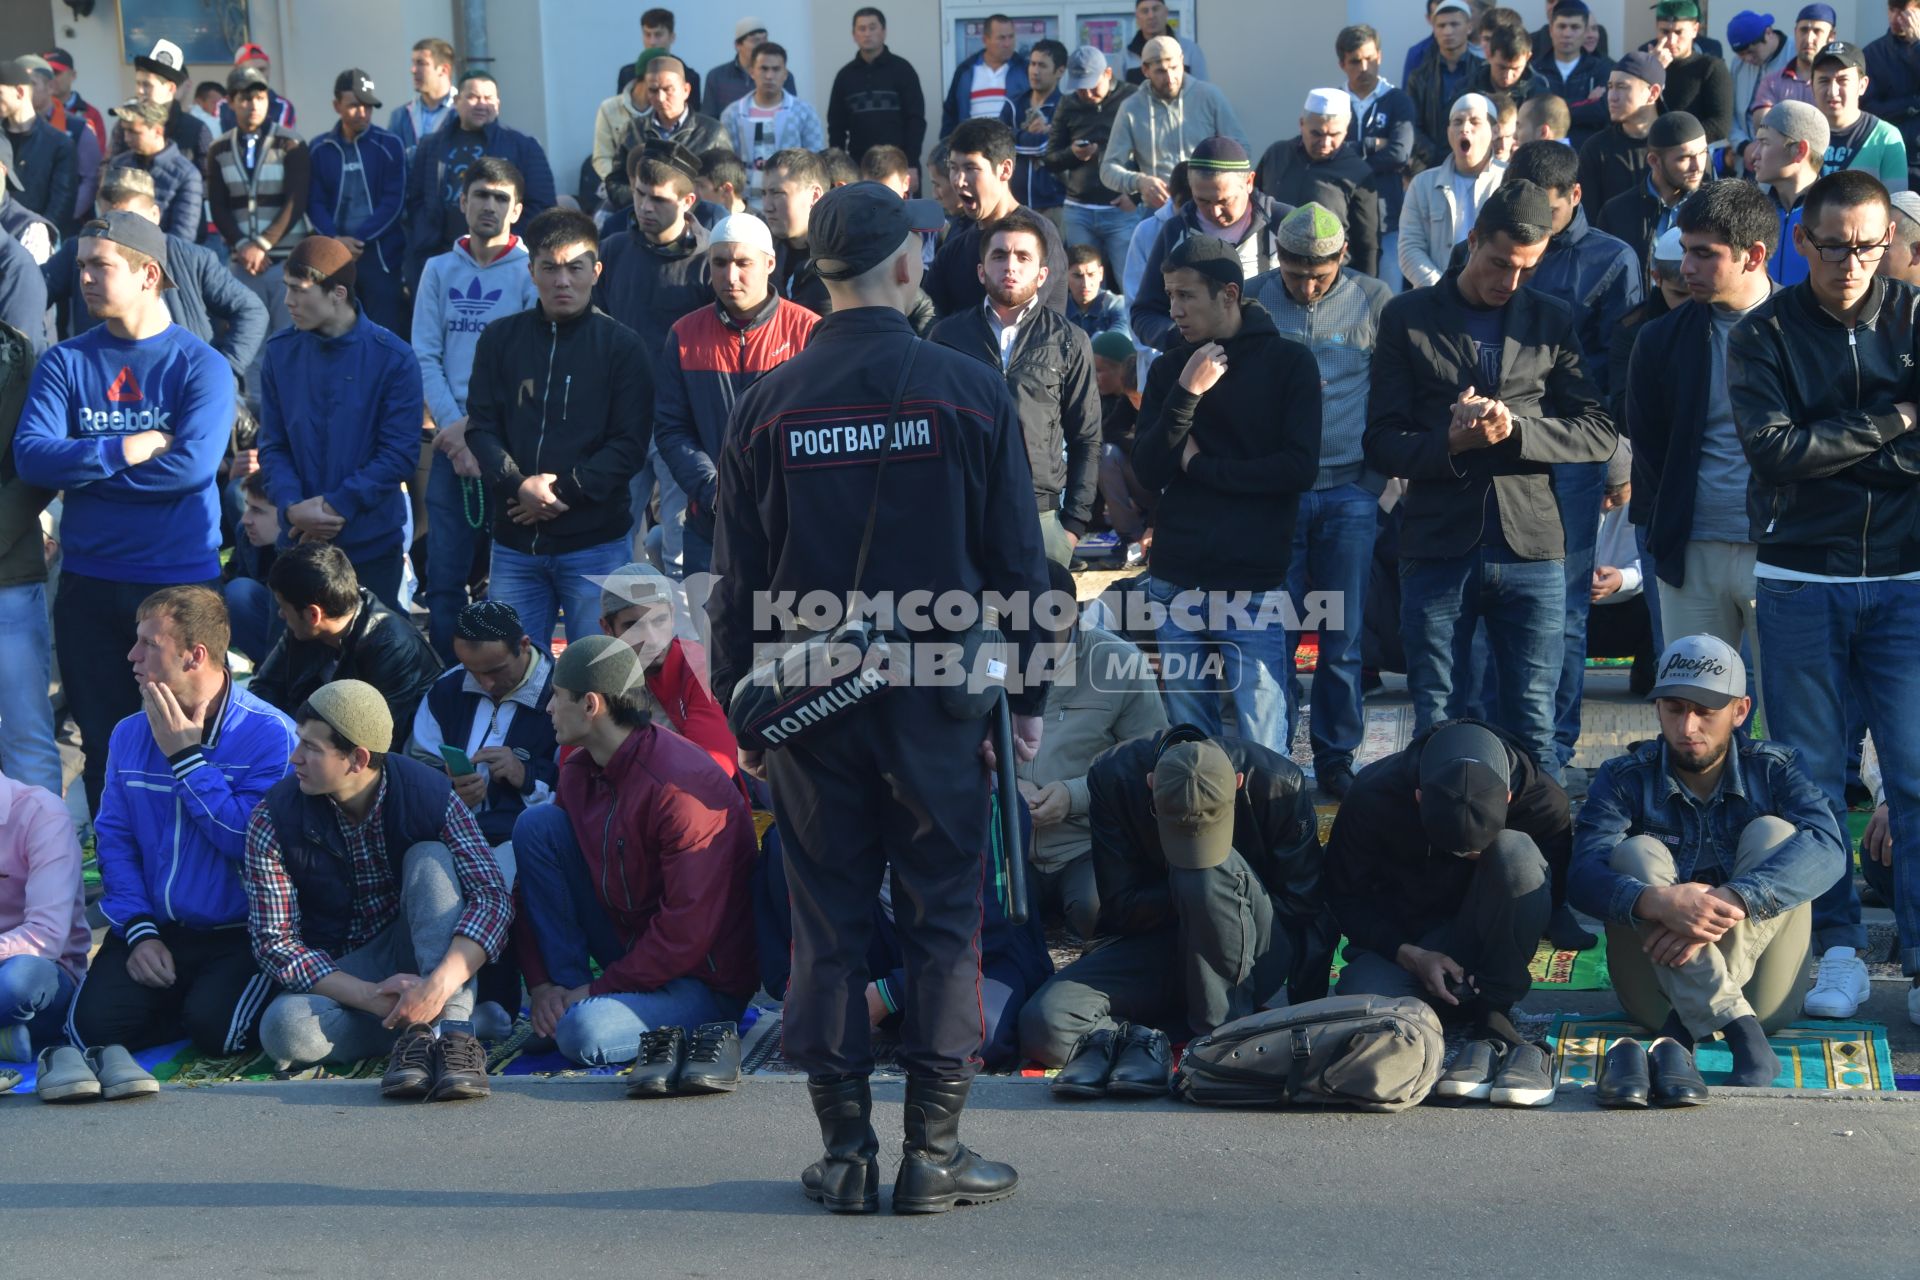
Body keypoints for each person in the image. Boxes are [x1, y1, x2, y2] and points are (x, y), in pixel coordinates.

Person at [707, 182, 1050, 1214]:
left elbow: (739, 590)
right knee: (947, 920)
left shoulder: (765, 402)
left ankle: (848, 1149)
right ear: (908, 264)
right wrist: (1025, 697)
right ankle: (933, 1151)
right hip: (937, 703)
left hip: (811, 709)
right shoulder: (968, 387)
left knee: (829, 926)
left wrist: (745, 717)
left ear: (816, 272)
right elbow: (1023, 571)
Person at [1725, 168, 1920, 1025]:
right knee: (1809, 780)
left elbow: (1805, 449)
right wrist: (1897, 422)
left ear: (1892, 243)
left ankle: (1917, 958)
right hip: (1802, 577)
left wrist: (1825, 447)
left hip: (1909, 581)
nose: (1850, 262)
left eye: (1867, 246)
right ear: (1800, 240)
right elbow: (1773, 453)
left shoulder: (1914, 317)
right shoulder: (1761, 332)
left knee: (1914, 778)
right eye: (1833, 244)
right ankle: (1836, 947)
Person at [1365, 180, 1616, 782]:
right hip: (1436, 545)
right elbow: (1379, 441)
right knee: (1439, 723)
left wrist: (1518, 430)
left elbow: (1598, 431)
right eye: (1500, 263)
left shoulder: (1551, 318)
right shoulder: (1408, 316)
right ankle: (1436, 860)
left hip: (1531, 544)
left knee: (1534, 729)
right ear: (1471, 240)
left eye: (1527, 268)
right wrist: (1449, 443)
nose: (1510, 280)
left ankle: (1541, 862)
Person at [13, 213, 233, 816]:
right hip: (89, 582)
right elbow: (33, 460)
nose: (82, 277)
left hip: (177, 583)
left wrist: (84, 473)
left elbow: (190, 470)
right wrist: (122, 449)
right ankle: (115, 866)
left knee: (186, 732)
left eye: (99, 265)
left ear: (149, 273)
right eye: (80, 264)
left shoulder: (201, 366)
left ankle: (191, 867)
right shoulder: (65, 362)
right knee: (103, 737)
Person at [1569, 635, 1846, 1083]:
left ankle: (1681, 1036)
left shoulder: (1777, 767)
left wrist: (1735, 898)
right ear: (1657, 709)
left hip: (1764, 997)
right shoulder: (1622, 778)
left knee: (1775, 833)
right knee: (1636, 852)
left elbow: (1831, 849)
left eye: (1705, 712)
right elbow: (1581, 875)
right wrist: (1657, 903)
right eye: (1675, 709)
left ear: (1740, 712)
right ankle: (1740, 1034)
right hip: (1654, 1000)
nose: (1688, 727)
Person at [247, 678, 513, 1096]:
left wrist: (437, 985)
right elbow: (274, 943)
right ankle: (438, 1030)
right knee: (284, 1029)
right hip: (347, 965)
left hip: (425, 948)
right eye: (299, 743)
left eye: (311, 749)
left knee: (430, 858)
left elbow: (492, 898)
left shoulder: (430, 794)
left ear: (358, 758)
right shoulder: (275, 817)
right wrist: (371, 996)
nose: (294, 758)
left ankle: (451, 1031)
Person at [1019, 728, 1335, 1079]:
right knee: (1047, 1025)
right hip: (1159, 944)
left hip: (1251, 946)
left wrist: (1219, 900)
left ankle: (1223, 1034)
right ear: (1151, 784)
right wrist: (1189, 905)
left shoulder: (1278, 782)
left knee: (1202, 872)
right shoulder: (1114, 777)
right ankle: (1150, 1039)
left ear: (1238, 782)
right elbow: (1120, 907)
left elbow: (1302, 903)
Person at [68, 586, 297, 1056]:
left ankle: (195, 1005)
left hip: (240, 934)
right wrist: (140, 932)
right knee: (89, 1032)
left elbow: (245, 841)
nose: (132, 655)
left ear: (195, 656)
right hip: (158, 927)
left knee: (219, 1033)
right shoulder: (129, 733)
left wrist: (188, 761)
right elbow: (114, 840)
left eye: (149, 644)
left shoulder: (270, 735)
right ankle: (178, 1001)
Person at [508, 634, 755, 1068]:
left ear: (591, 705)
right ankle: (565, 999)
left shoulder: (679, 787)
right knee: (536, 825)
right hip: (634, 950)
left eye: (556, 698)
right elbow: (534, 886)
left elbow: (686, 935)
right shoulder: (580, 769)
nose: (547, 709)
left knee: (583, 1032)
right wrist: (544, 986)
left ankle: (578, 1009)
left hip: (701, 979)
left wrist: (598, 992)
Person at [1132, 233, 1320, 753]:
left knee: (1264, 745)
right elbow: (1148, 470)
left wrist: (1201, 466)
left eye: (1186, 295)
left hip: (1251, 581)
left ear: (1229, 294)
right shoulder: (1173, 367)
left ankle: (1274, 835)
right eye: (1169, 296)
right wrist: (1186, 395)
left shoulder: (1289, 363)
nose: (1174, 310)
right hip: (1175, 578)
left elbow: (1296, 470)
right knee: (1192, 746)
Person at [1492, 143, 1643, 781]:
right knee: (1492, 598)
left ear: (1572, 197)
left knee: (1567, 605)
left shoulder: (1611, 259)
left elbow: (1625, 370)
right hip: (1500, 450)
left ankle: (1555, 748)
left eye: (1543, 207)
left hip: (1578, 453)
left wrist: (1616, 455)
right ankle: (1498, 742)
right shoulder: (1491, 250)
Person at [1245, 204, 1392, 798]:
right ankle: (1274, 756)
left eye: (1319, 273)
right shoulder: (1254, 301)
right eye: (1294, 271)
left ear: (1343, 258)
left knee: (1342, 637)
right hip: (1278, 495)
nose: (1305, 284)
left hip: (1349, 490)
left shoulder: (1374, 300)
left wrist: (1374, 481)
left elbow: (1392, 388)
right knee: (1272, 634)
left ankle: (1336, 755)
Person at [1327, 720, 1576, 1070]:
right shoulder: (1373, 794)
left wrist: (1496, 972)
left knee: (1516, 854)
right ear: (1419, 798)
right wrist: (1408, 953)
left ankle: (1492, 1004)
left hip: (1487, 939)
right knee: (1362, 997)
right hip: (1405, 942)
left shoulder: (1543, 803)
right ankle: (1450, 998)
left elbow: (1545, 899)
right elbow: (1343, 898)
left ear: (1507, 799)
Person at [465, 209, 651, 649]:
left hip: (596, 545)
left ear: (596, 271)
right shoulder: (499, 339)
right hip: (514, 546)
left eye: (574, 268)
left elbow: (628, 446)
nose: (562, 280)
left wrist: (561, 493)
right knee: (511, 670)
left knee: (598, 676)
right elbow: (481, 429)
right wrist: (518, 485)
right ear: (532, 271)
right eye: (549, 267)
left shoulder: (622, 347)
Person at [1627, 181, 1778, 707]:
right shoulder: (1660, 339)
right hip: (1690, 552)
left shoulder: (1806, 331)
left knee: (1787, 707)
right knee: (1694, 706)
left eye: (1703, 253)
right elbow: (1647, 447)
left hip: (1784, 552)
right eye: (1684, 250)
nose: (1684, 266)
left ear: (1753, 255)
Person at [256, 237, 421, 610]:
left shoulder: (393, 358)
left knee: (371, 665)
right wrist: (291, 506)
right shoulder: (281, 352)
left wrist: (338, 505)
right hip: (297, 545)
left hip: (370, 548)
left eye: (299, 291)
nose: (288, 302)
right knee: (293, 666)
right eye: (286, 289)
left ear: (338, 293)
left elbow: (398, 454)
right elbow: (273, 445)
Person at [414, 158, 536, 661]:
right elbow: (424, 353)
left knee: (507, 582)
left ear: (518, 208)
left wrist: (478, 433)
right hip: (450, 447)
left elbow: (525, 365)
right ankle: (446, 685)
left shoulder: (530, 273)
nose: (490, 206)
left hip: (506, 444)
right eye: (480, 195)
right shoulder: (438, 270)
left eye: (501, 197)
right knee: (444, 582)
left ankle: (510, 684)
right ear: (462, 202)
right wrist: (454, 430)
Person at [654, 211, 818, 579]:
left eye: (744, 263)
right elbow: (671, 428)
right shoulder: (684, 334)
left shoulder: (809, 331)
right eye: (720, 263)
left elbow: (822, 429)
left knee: (788, 636)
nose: (731, 276)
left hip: (792, 528)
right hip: (711, 526)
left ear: (770, 263)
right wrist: (714, 490)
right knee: (715, 635)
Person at [932, 210, 1101, 567]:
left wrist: (1072, 525)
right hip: (961, 515)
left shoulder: (1070, 340)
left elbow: (1086, 437)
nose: (1010, 265)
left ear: (1042, 275)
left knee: (1036, 622)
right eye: (999, 255)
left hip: (1041, 518)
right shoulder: (945, 338)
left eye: (1023, 257)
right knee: (966, 622)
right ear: (981, 271)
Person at [44, 167, 267, 393]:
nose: (118, 234)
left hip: (186, 389)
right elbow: (33, 292)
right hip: (105, 391)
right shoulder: (80, 251)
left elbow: (251, 310)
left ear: (155, 215)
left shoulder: (193, 258)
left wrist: (223, 371)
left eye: (131, 221)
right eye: (107, 220)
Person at [408, 598, 557, 874]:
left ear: (524, 645)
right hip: (449, 834)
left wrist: (526, 776)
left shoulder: (562, 695)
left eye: (495, 670)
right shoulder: (446, 690)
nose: (485, 683)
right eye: (471, 670)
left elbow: (581, 792)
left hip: (526, 841)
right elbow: (416, 770)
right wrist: (448, 786)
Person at [251, 541, 441, 728]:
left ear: (313, 614)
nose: (280, 614)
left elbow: (375, 740)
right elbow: (264, 689)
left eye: (284, 607)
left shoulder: (392, 647)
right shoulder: (304, 627)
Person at [404, 71, 556, 294]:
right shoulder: (431, 146)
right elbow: (415, 199)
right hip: (442, 254)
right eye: (473, 97)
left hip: (502, 259)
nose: (481, 104)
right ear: (456, 101)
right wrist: (423, 235)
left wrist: (507, 242)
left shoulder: (522, 146)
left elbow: (541, 205)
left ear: (498, 104)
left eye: (488, 98)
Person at [1130, 137, 1289, 348]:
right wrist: (1180, 340)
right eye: (1202, 200)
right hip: (1201, 366)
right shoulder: (1175, 231)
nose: (1214, 211)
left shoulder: (1284, 225)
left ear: (1249, 182)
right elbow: (1144, 313)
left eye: (1225, 200)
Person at [206, 65, 311, 379]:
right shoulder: (219, 148)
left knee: (293, 340)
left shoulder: (291, 143)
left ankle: (294, 415)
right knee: (251, 346)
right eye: (244, 98)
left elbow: (296, 201)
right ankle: (258, 417)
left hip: (285, 262)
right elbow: (218, 205)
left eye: (260, 97)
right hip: (243, 265)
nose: (253, 105)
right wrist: (243, 246)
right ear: (231, 102)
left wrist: (262, 245)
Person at [0, 316, 59, 798]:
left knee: (26, 734)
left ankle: (45, 871)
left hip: (8, 579)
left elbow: (39, 466)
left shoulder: (25, 359)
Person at [928, 119, 1070, 317]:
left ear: (1005, 170)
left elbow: (1023, 321)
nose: (959, 180)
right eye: (954, 167)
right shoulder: (954, 245)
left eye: (971, 168)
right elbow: (926, 312)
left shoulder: (1039, 234)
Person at [1100, 36, 1247, 219]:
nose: (1170, 78)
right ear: (1145, 70)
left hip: (1208, 208)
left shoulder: (1209, 97)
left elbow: (1241, 149)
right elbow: (1108, 170)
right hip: (1158, 211)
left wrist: (1220, 186)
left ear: (1182, 61)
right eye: (1160, 71)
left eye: (1175, 68)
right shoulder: (1131, 108)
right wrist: (1140, 182)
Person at [308, 69, 408, 335]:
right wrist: (335, 240)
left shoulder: (390, 144)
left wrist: (359, 240)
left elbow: (394, 201)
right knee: (335, 333)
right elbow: (314, 201)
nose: (362, 111)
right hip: (332, 259)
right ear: (336, 105)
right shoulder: (319, 148)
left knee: (383, 334)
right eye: (354, 105)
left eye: (368, 105)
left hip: (380, 258)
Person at [0, 763, 88, 1059]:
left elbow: (46, 936)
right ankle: (5, 1038)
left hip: (41, 971)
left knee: (19, 980)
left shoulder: (41, 812)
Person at [597, 145, 713, 369]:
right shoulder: (611, 251)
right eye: (640, 193)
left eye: (659, 200)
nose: (645, 207)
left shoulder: (711, 258)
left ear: (688, 201)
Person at [1256, 89, 1382, 280]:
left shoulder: (1358, 172)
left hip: (1327, 279)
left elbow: (1368, 244)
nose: (1325, 143)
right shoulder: (1276, 155)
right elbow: (1253, 205)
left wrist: (1365, 290)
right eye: (1317, 134)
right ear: (1301, 124)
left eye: (1334, 134)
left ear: (1346, 130)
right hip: (1272, 273)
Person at [1044, 46, 1140, 287]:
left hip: (1121, 208)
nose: (1086, 93)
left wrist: (1136, 196)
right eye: (1079, 86)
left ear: (1108, 73)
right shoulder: (1068, 103)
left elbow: (1151, 153)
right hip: (1079, 209)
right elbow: (1051, 159)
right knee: (1084, 289)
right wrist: (1073, 154)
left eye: (1092, 85)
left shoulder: (1132, 98)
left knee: (1131, 285)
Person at [1340, 24, 1419, 294]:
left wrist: (1348, 158)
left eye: (1370, 59)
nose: (1364, 67)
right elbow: (1325, 152)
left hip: (1387, 218)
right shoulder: (1334, 103)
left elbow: (1399, 153)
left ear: (1380, 57)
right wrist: (1372, 144)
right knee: (1346, 302)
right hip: (1343, 221)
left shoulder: (1397, 100)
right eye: (1355, 61)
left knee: (1387, 299)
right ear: (1342, 63)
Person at [601, 56, 728, 217]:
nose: (660, 98)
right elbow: (616, 181)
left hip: (696, 219)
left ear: (686, 90)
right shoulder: (632, 130)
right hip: (643, 218)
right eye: (653, 90)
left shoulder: (713, 132)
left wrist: (680, 206)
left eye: (668, 89)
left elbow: (723, 184)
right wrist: (645, 202)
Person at [1400, 93, 1503, 290]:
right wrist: (1444, 289)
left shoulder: (1510, 180)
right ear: (1448, 132)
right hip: (1435, 299)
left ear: (1495, 130)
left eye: (1475, 122)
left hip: (1494, 294)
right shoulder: (1422, 184)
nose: (1465, 128)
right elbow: (1409, 248)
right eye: (1457, 122)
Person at [721, 43, 824, 211]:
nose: (769, 75)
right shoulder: (732, 114)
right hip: (743, 205)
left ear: (785, 74)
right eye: (764, 69)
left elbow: (815, 162)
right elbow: (727, 165)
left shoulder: (804, 112)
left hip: (791, 205)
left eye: (776, 69)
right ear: (752, 72)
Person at [1598, 109, 1707, 260]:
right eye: (1685, 158)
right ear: (1654, 161)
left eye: (1703, 153)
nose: (1697, 166)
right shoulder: (1616, 214)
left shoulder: (1713, 208)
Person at [829, 8, 926, 176]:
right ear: (854, 35)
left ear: (884, 32)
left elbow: (915, 120)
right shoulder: (845, 76)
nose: (867, 33)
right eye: (862, 28)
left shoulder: (903, 70)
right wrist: (837, 168)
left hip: (900, 165)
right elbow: (836, 126)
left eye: (872, 27)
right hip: (858, 167)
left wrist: (911, 162)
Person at [1813, 41, 1910, 191]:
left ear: (1862, 85)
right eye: (1823, 81)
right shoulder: (1798, 134)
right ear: (1811, 85)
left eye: (1842, 80)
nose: (1832, 91)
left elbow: (1896, 207)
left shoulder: (1885, 138)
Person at [1578, 52, 1666, 217]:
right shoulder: (1596, 149)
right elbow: (1588, 219)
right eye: (1610, 87)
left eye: (1622, 87)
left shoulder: (1675, 145)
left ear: (1653, 93)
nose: (1611, 97)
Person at [1753, 99, 1831, 284]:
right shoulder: (1753, 211)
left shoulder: (1833, 216)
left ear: (1800, 151)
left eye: (1764, 142)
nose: (1754, 154)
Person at [105, 98, 201, 241]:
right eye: (124, 130)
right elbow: (106, 217)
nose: (127, 138)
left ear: (157, 131)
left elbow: (183, 236)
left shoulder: (187, 174)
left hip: (163, 258)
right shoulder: (119, 164)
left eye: (133, 132)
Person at [0, 58, 76, 228]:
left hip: (39, 238)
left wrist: (41, 234)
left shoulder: (59, 143)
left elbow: (61, 204)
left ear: (20, 92)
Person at [1409, 0, 1483, 170]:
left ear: (1469, 27)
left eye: (1455, 24)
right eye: (1441, 26)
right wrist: (1434, 155)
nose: (1448, 31)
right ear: (1434, 30)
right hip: (1430, 166)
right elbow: (1412, 124)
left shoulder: (1483, 72)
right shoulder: (1419, 77)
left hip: (1475, 163)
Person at [121, 39, 212, 171]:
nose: (140, 91)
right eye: (138, 83)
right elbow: (109, 168)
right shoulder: (126, 122)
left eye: (147, 85)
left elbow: (206, 180)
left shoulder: (197, 130)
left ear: (170, 88)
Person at [1650, 0, 1734, 141]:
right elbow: (1631, 111)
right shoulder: (1644, 64)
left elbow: (1720, 125)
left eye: (1678, 32)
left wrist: (1673, 143)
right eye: (1665, 31)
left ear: (1695, 30)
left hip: (1691, 154)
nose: (1671, 40)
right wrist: (1652, 72)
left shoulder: (1711, 67)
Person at [1536, 0, 1614, 150]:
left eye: (1575, 27)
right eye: (1561, 26)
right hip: (1544, 151)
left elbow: (1602, 112)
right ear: (1551, 30)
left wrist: (1554, 106)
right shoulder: (1536, 71)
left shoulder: (1601, 69)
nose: (1567, 33)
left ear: (1585, 32)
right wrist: (1587, 102)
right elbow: (1537, 113)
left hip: (1588, 154)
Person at [762, 148, 832, 315]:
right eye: (763, 194)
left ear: (815, 195)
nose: (767, 206)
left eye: (777, 193)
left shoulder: (841, 259)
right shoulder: (760, 254)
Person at [940, 13, 1028, 141]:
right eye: (1001, 38)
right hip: (973, 150)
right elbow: (951, 114)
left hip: (1012, 148)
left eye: (1011, 37)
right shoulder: (966, 70)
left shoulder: (1024, 70)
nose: (1008, 43)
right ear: (985, 40)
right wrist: (946, 150)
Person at [1749, 7, 1835, 137]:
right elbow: (1763, 126)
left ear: (1831, 37)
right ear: (1795, 33)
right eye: (1803, 30)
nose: (1808, 39)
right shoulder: (1772, 82)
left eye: (1817, 31)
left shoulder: (1837, 84)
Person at [224, 470, 281, 663]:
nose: (246, 519)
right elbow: (236, 573)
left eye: (257, 511)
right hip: (271, 633)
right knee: (237, 594)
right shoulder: (246, 534)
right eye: (248, 507)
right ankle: (269, 670)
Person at [1866, 0, 1920, 191]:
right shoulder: (1874, 53)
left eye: (1904, 11)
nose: (1896, 18)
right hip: (1888, 157)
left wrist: (1916, 45)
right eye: (1892, 10)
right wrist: (1912, 104)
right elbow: (1868, 108)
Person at [1729, 9, 1796, 165]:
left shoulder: (1795, 55)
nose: (1747, 59)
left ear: (1768, 33)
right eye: (1741, 55)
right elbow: (1729, 112)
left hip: (1783, 157)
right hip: (1747, 156)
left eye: (1751, 52)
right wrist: (1742, 146)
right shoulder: (1737, 64)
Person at [705, 18, 796, 121]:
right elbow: (709, 120)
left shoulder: (783, 76)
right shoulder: (717, 77)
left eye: (765, 39)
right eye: (755, 40)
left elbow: (792, 113)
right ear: (738, 45)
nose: (762, 46)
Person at [617, 9, 703, 106]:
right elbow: (622, 111)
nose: (652, 42)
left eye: (658, 35)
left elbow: (693, 117)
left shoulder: (689, 76)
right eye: (647, 34)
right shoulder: (627, 74)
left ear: (672, 37)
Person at [389, 38, 456, 161]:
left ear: (444, 69)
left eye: (421, 63)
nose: (413, 70)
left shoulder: (463, 113)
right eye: (413, 63)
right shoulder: (400, 116)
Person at [1123, 0, 1209, 85]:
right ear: (1137, 17)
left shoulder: (1190, 50)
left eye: (1156, 9)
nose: (1151, 16)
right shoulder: (1125, 56)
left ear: (1166, 12)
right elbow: (1120, 95)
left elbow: (1202, 91)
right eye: (1145, 11)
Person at [216, 43, 296, 134]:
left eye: (262, 69)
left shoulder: (283, 106)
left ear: (269, 69)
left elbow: (282, 142)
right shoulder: (221, 106)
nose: (257, 75)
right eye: (250, 70)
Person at [1064, 243, 1127, 338]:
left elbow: (1117, 341)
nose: (1085, 284)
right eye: (1078, 276)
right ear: (1064, 276)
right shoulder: (1056, 309)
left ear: (1101, 273)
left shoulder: (1117, 305)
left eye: (1091, 275)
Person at [697, 149, 749, 216]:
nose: (694, 193)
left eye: (701, 186)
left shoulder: (756, 224)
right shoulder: (695, 220)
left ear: (727, 190)